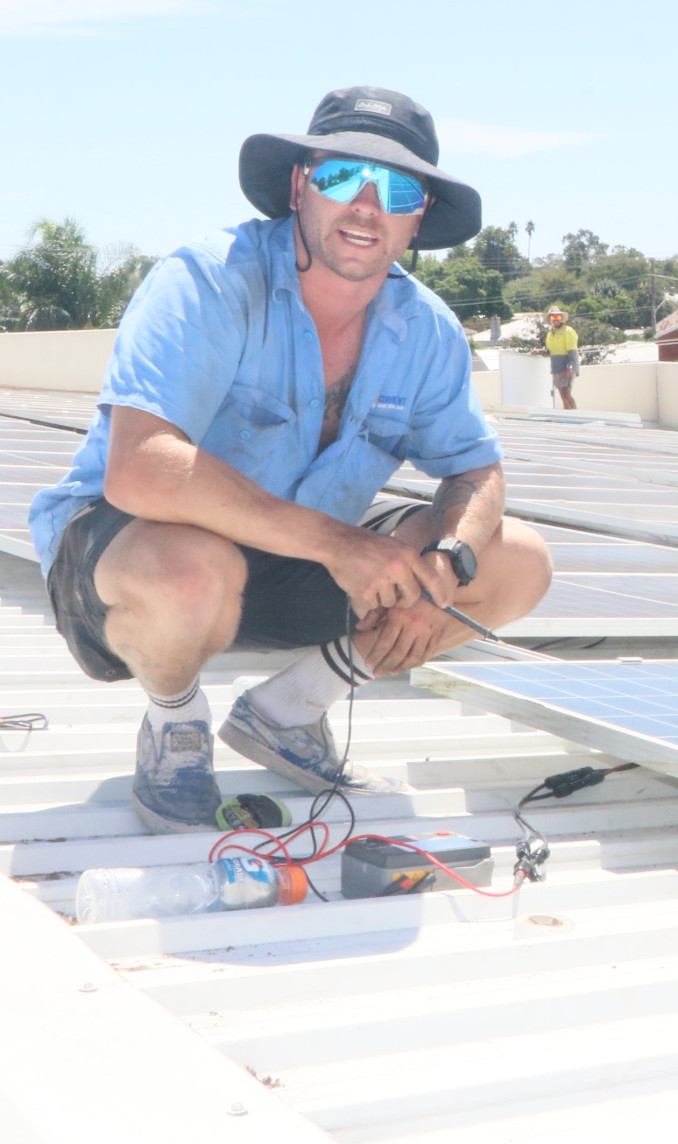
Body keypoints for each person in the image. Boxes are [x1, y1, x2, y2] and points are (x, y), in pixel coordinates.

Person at [29, 86, 554, 835]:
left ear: (420, 216)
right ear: (302, 185)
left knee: (519, 560)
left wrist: (448, 561)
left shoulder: (427, 332)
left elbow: (477, 472)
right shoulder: (210, 280)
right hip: (133, 561)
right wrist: (342, 547)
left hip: (290, 561)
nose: (366, 206)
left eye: (397, 189)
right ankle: (175, 723)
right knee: (193, 568)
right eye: (343, 178)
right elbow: (140, 468)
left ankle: (288, 713)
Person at [539, 305, 579, 410]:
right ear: (549, 320)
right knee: (563, 396)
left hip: (567, 366)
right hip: (557, 367)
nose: (556, 320)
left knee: (567, 394)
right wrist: (538, 352)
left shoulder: (568, 331)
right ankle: (568, 417)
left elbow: (572, 351)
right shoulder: (549, 335)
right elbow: (549, 352)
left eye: (558, 317)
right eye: (553, 317)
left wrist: (569, 366)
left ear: (561, 319)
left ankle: (575, 416)